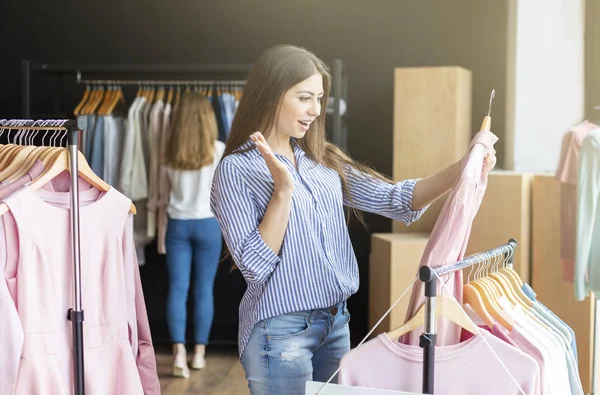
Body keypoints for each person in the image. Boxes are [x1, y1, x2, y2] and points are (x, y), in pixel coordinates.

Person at [210, 44, 496, 394]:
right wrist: (283, 191)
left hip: (336, 323)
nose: (315, 110)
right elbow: (254, 266)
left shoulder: (321, 159)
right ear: (271, 94)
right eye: (304, 98)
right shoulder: (236, 170)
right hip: (279, 331)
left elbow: (398, 198)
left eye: (319, 98)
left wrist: (466, 165)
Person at [163, 92, 225, 378]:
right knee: (204, 291)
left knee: (177, 290)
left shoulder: (169, 152)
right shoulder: (219, 150)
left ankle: (178, 355)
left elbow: (164, 192)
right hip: (208, 225)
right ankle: (199, 354)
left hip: (177, 225)